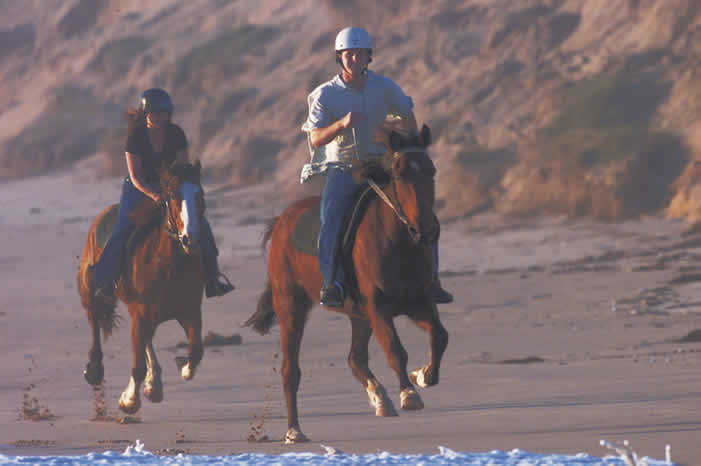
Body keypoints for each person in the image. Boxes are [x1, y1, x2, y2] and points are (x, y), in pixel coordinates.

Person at [301, 27, 453, 307]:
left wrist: (407, 143)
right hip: (344, 168)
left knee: (423, 212)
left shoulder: (384, 87)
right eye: (349, 55)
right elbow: (315, 137)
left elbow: (406, 114)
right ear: (339, 57)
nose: (355, 59)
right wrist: (340, 124)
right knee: (330, 219)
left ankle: (432, 280)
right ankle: (332, 282)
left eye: (360, 54)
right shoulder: (325, 95)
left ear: (369, 57)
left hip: (381, 164)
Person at [90, 88, 234, 300]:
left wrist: (176, 189)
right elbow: (136, 177)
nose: (159, 117)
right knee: (123, 229)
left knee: (200, 224)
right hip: (139, 189)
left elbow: (183, 168)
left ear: (169, 114)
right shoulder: (136, 138)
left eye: (163, 113)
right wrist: (154, 195)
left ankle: (213, 280)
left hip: (171, 187)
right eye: (155, 113)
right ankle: (105, 282)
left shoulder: (176, 134)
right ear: (146, 114)